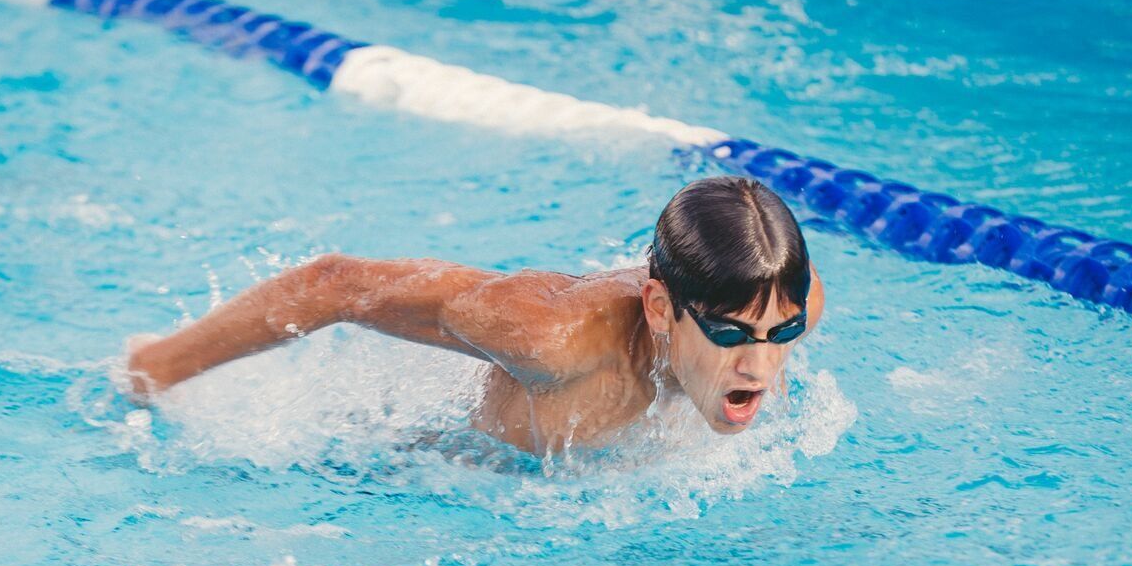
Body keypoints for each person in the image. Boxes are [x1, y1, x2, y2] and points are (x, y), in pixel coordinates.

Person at [126, 175, 824, 456]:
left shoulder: (788, 292)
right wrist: (153, 370)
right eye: (731, 334)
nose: (760, 365)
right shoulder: (553, 338)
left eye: (780, 333)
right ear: (660, 308)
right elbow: (334, 283)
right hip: (428, 459)